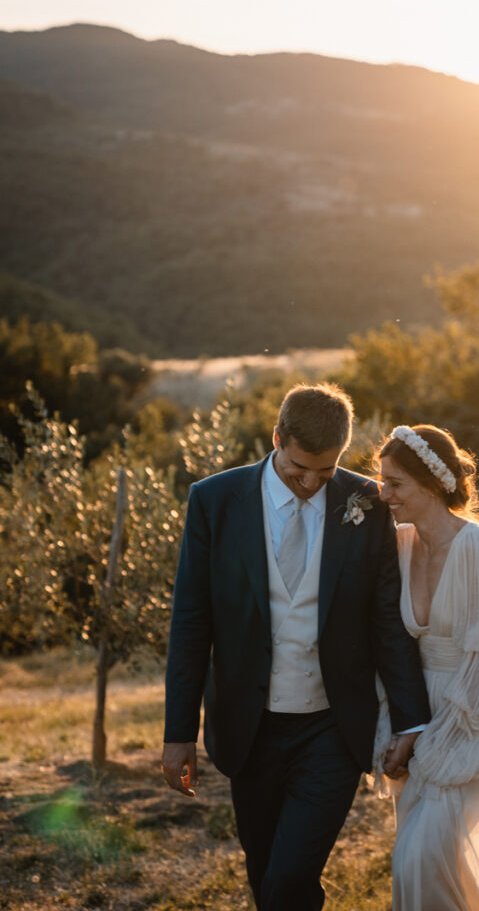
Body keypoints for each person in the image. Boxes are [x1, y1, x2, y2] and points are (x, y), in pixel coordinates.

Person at [162, 383, 431, 911]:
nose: (311, 483)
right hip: (249, 726)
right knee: (264, 874)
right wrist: (178, 734)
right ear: (277, 438)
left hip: (332, 727)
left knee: (288, 879)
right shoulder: (214, 501)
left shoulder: (365, 504)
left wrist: (411, 720)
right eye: (299, 469)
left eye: (325, 472)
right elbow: (191, 624)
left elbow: (385, 621)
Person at [377, 424, 479, 911]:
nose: (385, 494)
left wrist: (433, 739)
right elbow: (390, 642)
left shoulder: (476, 546)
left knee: (421, 861)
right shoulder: (399, 545)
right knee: (441, 868)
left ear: (430, 484)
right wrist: (402, 727)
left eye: (396, 484)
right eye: (381, 481)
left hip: (471, 720)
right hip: (415, 709)